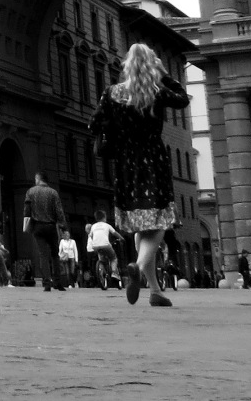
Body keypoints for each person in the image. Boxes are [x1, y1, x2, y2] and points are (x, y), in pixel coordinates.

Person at [93, 42, 192, 308]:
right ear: (150, 65)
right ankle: (137, 267)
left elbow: (95, 123)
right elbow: (182, 98)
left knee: (140, 226)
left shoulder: (111, 92)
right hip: (153, 161)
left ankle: (155, 290)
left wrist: (115, 129)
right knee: (159, 222)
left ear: (126, 65)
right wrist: (163, 73)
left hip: (126, 164)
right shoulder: (156, 91)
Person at [22, 172, 68, 291]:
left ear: (38, 179)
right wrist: (63, 226)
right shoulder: (53, 192)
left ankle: (46, 283)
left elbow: (27, 211)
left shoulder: (30, 192)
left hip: (38, 227)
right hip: (51, 226)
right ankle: (57, 282)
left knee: (43, 255)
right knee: (55, 254)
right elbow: (59, 211)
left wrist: (26, 226)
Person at [86, 212, 119, 289]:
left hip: (95, 246)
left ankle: (102, 272)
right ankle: (114, 272)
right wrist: (121, 238)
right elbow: (115, 233)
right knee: (113, 258)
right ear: (104, 218)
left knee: (101, 258)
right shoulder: (107, 225)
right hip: (106, 245)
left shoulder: (93, 226)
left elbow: (90, 236)